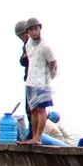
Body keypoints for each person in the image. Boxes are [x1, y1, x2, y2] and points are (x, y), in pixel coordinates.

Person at [22, 17, 57, 145]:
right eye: (31, 30)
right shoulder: (28, 45)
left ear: (39, 29)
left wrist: (50, 76)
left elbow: (53, 62)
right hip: (31, 81)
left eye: (36, 29)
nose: (34, 32)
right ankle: (33, 137)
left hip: (42, 82)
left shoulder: (45, 46)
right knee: (33, 110)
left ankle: (38, 137)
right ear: (28, 32)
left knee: (41, 110)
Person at [15, 19, 33, 140]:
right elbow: (23, 60)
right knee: (29, 108)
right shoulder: (26, 44)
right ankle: (32, 134)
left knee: (33, 109)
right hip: (29, 79)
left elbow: (25, 60)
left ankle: (33, 134)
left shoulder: (32, 44)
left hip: (35, 80)